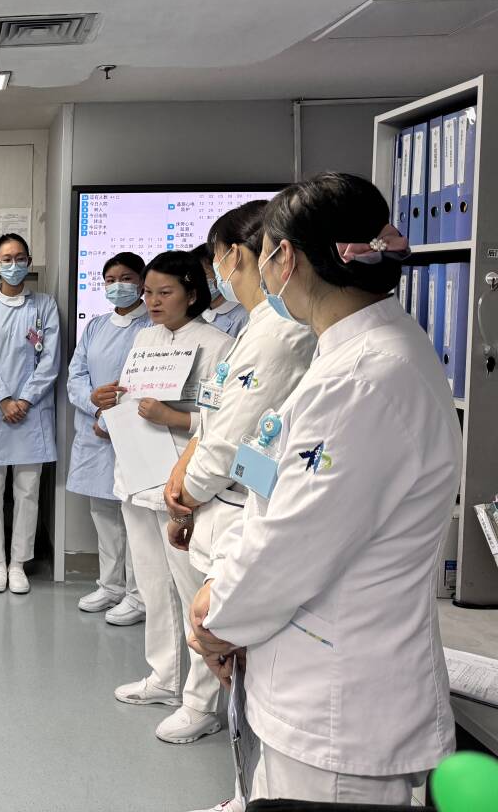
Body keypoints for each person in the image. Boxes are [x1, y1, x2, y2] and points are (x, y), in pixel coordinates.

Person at [190, 173, 460, 805]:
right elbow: (274, 490)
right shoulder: (352, 353)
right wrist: (221, 586)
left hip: (336, 704)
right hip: (308, 677)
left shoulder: (364, 378)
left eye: (264, 254)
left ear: (285, 258)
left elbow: (292, 543)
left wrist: (217, 616)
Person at [166, 205, 315, 812]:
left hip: (236, 509)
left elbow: (231, 440)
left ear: (236, 254)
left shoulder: (281, 333)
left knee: (239, 661)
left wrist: (186, 497)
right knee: (228, 660)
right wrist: (184, 482)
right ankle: (243, 793)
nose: (217, 271)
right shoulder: (254, 327)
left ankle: (247, 797)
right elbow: (214, 416)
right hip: (216, 504)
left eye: (216, 258)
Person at [110, 250, 232, 745]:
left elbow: (226, 421)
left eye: (165, 292)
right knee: (151, 585)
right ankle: (163, 678)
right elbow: (131, 398)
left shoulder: (218, 345)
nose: (153, 301)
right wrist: (111, 401)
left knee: (190, 592)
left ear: (192, 292)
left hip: (184, 481)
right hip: (137, 473)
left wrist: (174, 418)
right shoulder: (144, 339)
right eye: (148, 293)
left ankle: (202, 703)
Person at [0, 233, 60, 594]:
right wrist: (4, 399)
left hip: (31, 411)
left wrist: (25, 399)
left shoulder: (45, 306)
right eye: (7, 259)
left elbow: (50, 359)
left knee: (28, 490)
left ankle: (18, 562)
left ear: (29, 263)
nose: (14, 265)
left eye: (20, 258)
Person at [66, 251, 150, 624]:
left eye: (127, 278)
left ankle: (138, 594)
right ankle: (111, 586)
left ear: (142, 282)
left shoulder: (152, 327)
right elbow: (76, 375)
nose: (118, 286)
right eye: (111, 280)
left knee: (136, 516)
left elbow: (151, 383)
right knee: (103, 512)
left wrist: (115, 416)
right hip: (95, 431)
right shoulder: (96, 326)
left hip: (134, 433)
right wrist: (94, 404)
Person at [194, 243, 250, 338]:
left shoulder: (245, 316)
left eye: (203, 275)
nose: (196, 283)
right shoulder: (197, 315)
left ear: (219, 273)